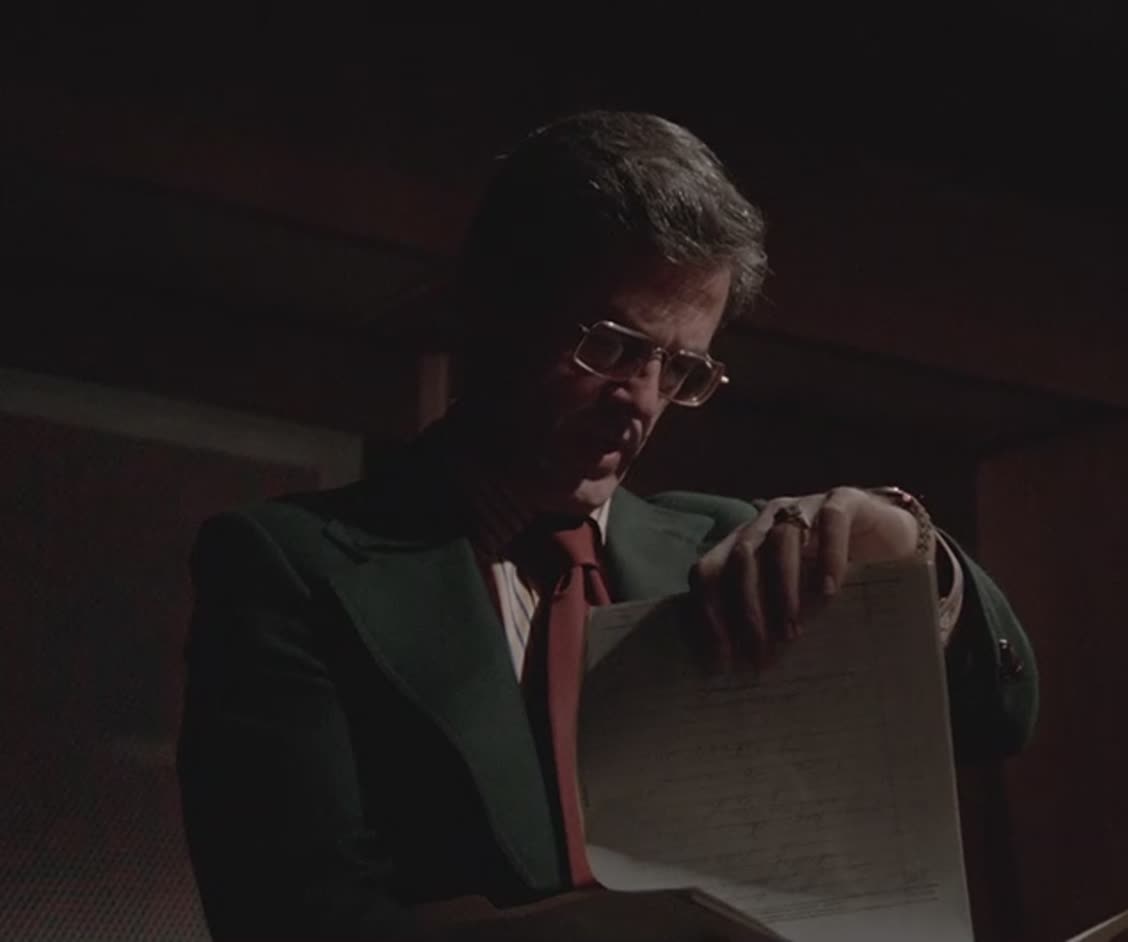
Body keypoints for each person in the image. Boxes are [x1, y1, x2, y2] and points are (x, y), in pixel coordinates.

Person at [176, 110, 1038, 941]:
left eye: (682, 368)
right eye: (614, 346)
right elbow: (293, 916)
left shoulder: (732, 548)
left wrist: (907, 548)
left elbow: (997, 717)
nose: (643, 401)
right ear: (494, 305)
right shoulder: (291, 567)